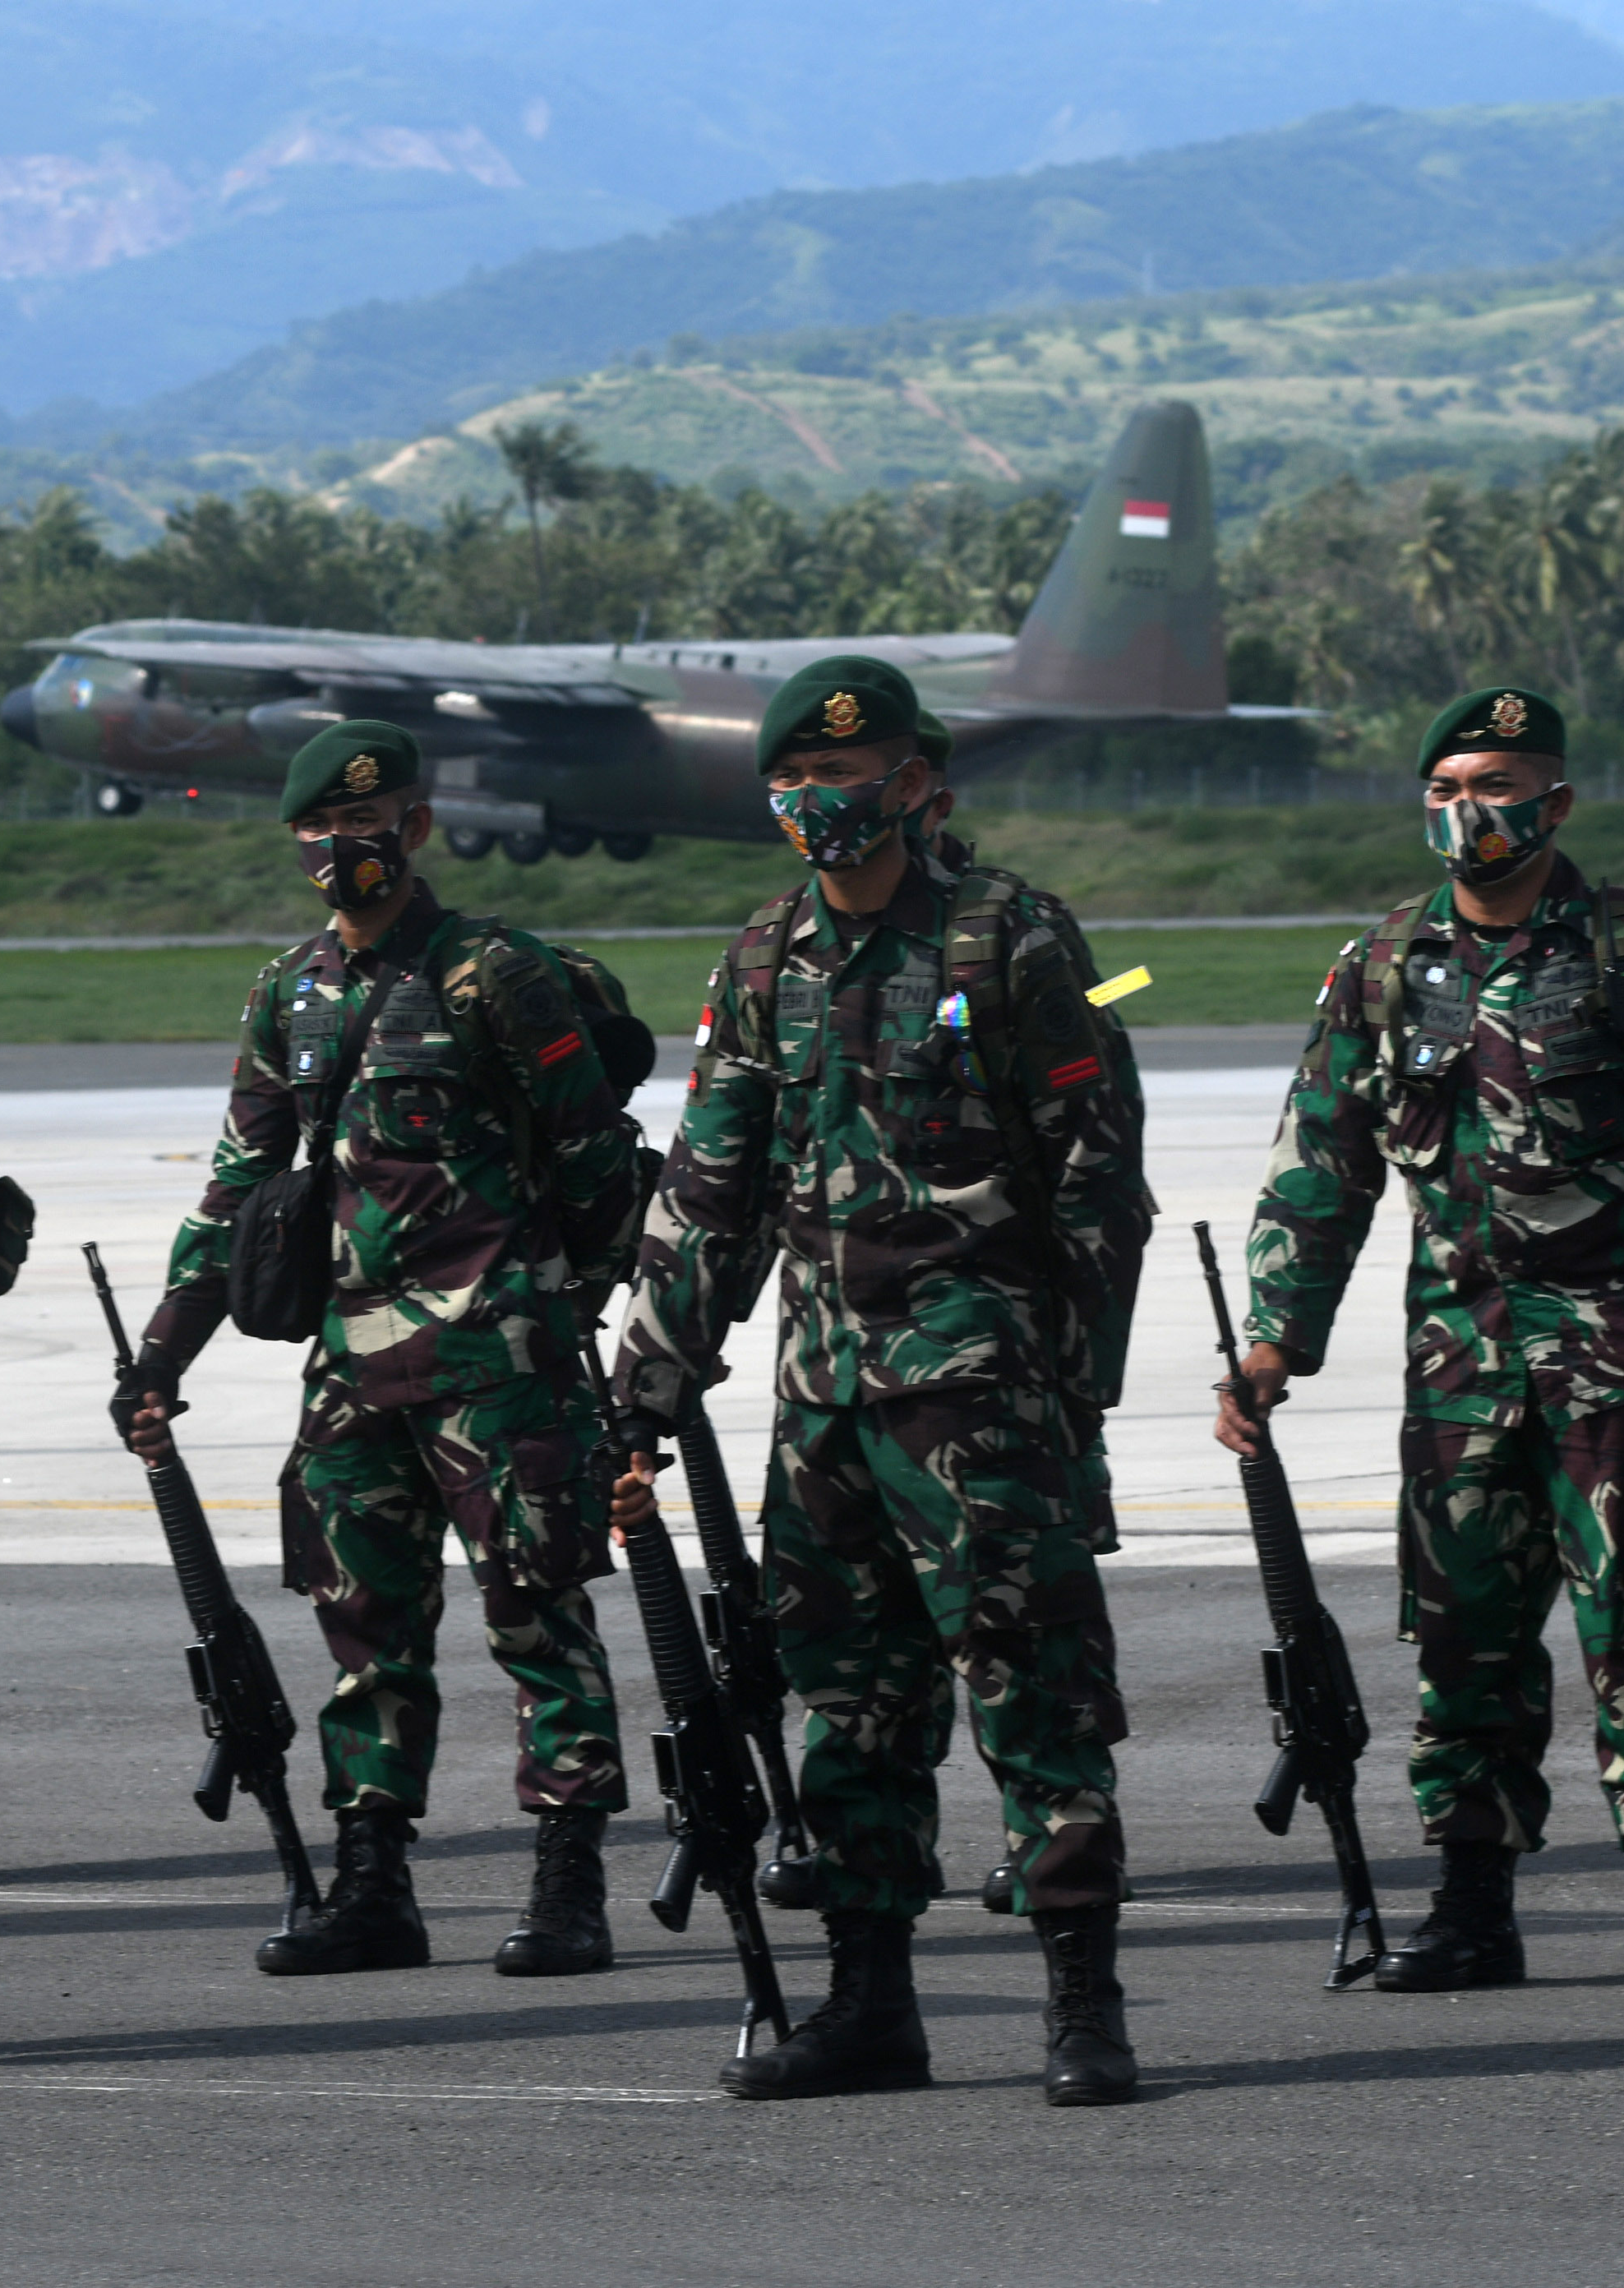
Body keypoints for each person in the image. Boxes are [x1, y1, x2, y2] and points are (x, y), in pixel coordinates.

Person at [609, 656, 1156, 2106]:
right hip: (824, 1408)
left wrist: (1074, 1389)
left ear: (915, 786)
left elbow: (1101, 1176)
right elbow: (708, 1187)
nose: (819, 808)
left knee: (1033, 1693)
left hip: (981, 1397)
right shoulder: (762, 957)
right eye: (794, 784)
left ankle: (1083, 2005)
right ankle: (869, 2005)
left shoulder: (1011, 939)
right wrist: (644, 1399)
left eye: (849, 783)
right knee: (849, 1708)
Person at [1220, 686, 1624, 1997]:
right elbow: (1323, 1161)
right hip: (1459, 1360)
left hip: (1622, 1351)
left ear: (1558, 802)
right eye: (1447, 789)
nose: (1470, 812)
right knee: (1464, 1632)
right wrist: (1271, 1342)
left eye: (1498, 784)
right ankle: (1472, 1902)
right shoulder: (1382, 966)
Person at [117, 721, 642, 1981]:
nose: (343, 852)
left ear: (413, 827)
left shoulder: (495, 976)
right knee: (364, 1631)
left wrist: (577, 1318)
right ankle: (372, 1882)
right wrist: (161, 1357)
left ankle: (568, 1883)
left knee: (537, 1615)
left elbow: (594, 1160)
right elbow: (240, 1184)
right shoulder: (289, 993)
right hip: (351, 1368)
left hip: (497, 1356)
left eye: (367, 827)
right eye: (319, 834)